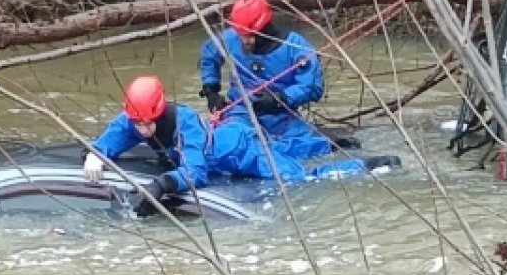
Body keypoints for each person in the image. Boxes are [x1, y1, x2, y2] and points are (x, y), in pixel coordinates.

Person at [83, 76, 396, 216]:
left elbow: (195, 173)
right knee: (286, 150)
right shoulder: (134, 117)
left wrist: (162, 184)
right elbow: (111, 139)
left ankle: (366, 164)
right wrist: (95, 155)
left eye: (145, 124)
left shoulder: (185, 122)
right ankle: (326, 144)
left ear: (159, 111)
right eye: (136, 123)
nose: (140, 129)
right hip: (230, 139)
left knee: (298, 178)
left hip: (241, 152)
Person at [199, 0, 345, 161]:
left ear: (262, 30)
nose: (243, 41)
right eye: (240, 35)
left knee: (326, 146)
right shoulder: (233, 37)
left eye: (248, 37)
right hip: (240, 112)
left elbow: (313, 88)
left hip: (282, 116)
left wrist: (280, 98)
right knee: (234, 141)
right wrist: (211, 90)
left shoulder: (296, 47)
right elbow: (209, 54)